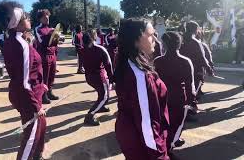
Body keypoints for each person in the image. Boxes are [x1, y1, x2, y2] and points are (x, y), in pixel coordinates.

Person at [114, 18, 170, 160]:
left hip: (132, 135)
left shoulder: (128, 60)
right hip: (143, 144)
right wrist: (160, 155)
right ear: (137, 39)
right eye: (151, 35)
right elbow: (146, 124)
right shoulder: (139, 75)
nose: (155, 39)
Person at [0, 4, 47, 160]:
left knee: (41, 124)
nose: (29, 18)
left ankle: (37, 156)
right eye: (25, 17)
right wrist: (35, 106)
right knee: (31, 136)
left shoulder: (13, 40)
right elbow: (23, 80)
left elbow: (28, 72)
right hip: (27, 95)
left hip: (28, 91)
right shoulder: (21, 44)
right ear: (18, 23)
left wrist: (41, 84)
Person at [154, 32, 196, 150]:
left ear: (164, 45)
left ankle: (170, 141)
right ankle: (170, 146)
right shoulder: (185, 61)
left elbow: (153, 82)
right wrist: (191, 101)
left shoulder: (157, 61)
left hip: (161, 97)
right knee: (177, 124)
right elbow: (190, 84)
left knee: (163, 122)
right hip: (179, 98)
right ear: (179, 44)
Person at [82, 29, 113, 126]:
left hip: (89, 77)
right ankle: (90, 116)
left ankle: (101, 107)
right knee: (105, 97)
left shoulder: (83, 49)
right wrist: (112, 79)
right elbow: (108, 64)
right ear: (93, 37)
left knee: (101, 93)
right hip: (100, 77)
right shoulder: (100, 49)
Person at [180, 21, 213, 100]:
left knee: (183, 90)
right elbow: (202, 58)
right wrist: (209, 69)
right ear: (196, 30)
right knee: (193, 92)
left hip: (180, 68)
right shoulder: (196, 42)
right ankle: (191, 107)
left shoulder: (180, 39)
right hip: (195, 70)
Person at [35, 9, 59, 104]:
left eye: (48, 16)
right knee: (45, 76)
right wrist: (51, 35)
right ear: (40, 19)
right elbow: (42, 41)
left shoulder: (52, 29)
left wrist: (57, 37)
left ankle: (49, 92)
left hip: (52, 55)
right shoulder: (38, 29)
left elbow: (55, 43)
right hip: (44, 55)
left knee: (52, 75)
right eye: (44, 17)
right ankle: (43, 95)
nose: (47, 18)